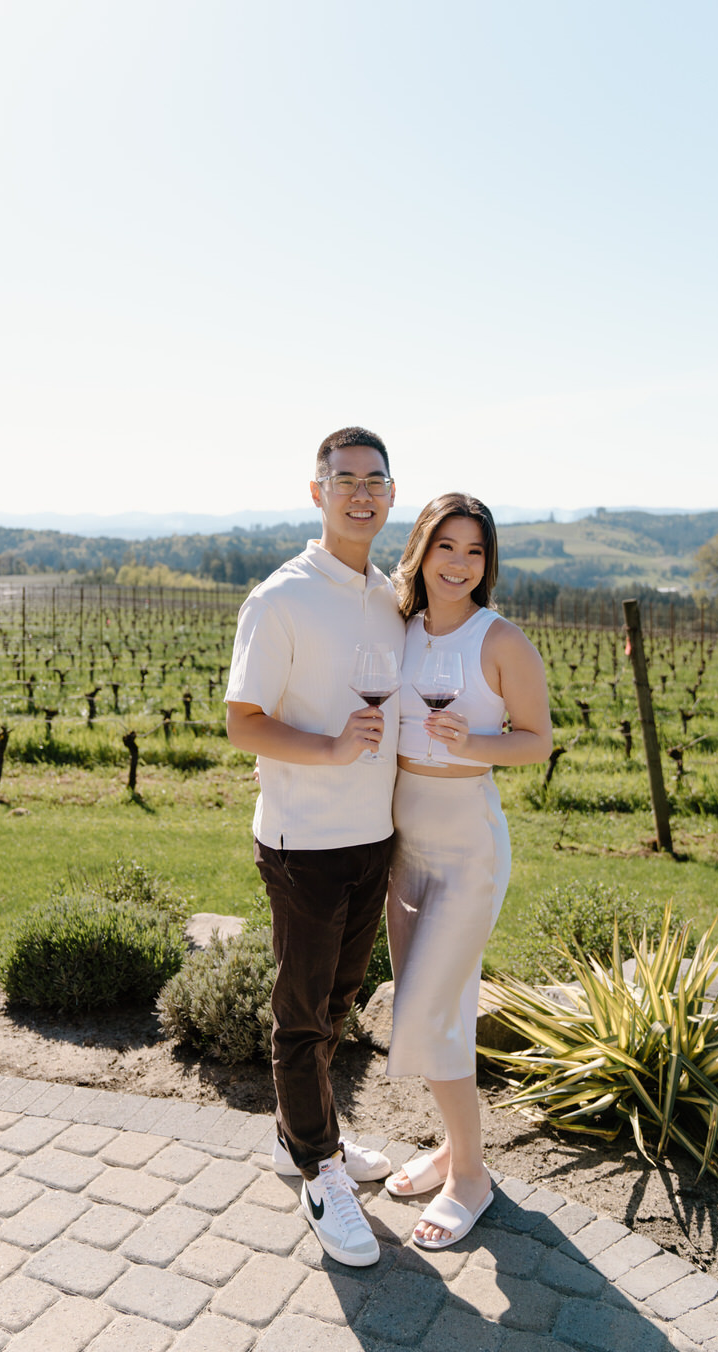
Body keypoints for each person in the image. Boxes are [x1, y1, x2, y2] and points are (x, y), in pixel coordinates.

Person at [224, 427, 405, 1268]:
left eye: (375, 480)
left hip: (373, 835)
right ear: (317, 491)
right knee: (301, 1021)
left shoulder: (388, 594)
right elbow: (241, 722)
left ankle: (298, 1133)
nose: (360, 494)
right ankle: (320, 1173)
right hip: (305, 844)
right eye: (346, 481)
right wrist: (332, 748)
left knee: (336, 1006)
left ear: (391, 496)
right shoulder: (281, 597)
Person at [382, 492, 552, 1249]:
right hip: (401, 843)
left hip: (468, 845)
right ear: (421, 549)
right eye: (445, 547)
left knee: (426, 1011)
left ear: (488, 563)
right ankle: (457, 1148)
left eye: (474, 551)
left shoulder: (500, 639)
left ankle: (471, 1177)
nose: (459, 564)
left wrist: (475, 743)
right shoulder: (398, 628)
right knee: (435, 1010)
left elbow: (536, 742)